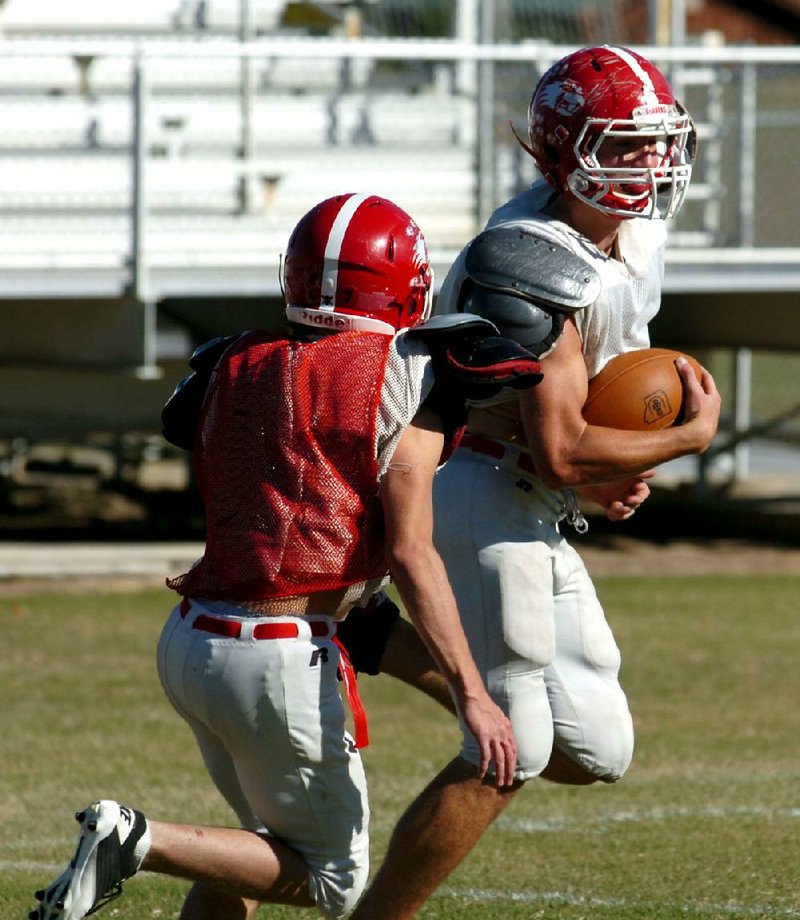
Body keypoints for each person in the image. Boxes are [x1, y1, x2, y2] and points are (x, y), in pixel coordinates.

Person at [30, 192, 537, 920]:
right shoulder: (405, 372)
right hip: (275, 654)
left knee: (260, 847)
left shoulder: (234, 362)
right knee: (332, 879)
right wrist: (473, 694)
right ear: (405, 285)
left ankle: (142, 842)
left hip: (189, 641)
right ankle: (135, 839)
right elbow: (412, 552)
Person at [345, 45, 722, 920]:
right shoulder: (529, 258)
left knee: (596, 748)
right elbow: (559, 449)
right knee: (504, 751)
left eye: (655, 142)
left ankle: (380, 639)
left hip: (531, 502)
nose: (650, 163)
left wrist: (617, 462)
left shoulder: (633, 235)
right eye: (624, 145)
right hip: (471, 489)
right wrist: (681, 442)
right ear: (564, 152)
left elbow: (593, 413)